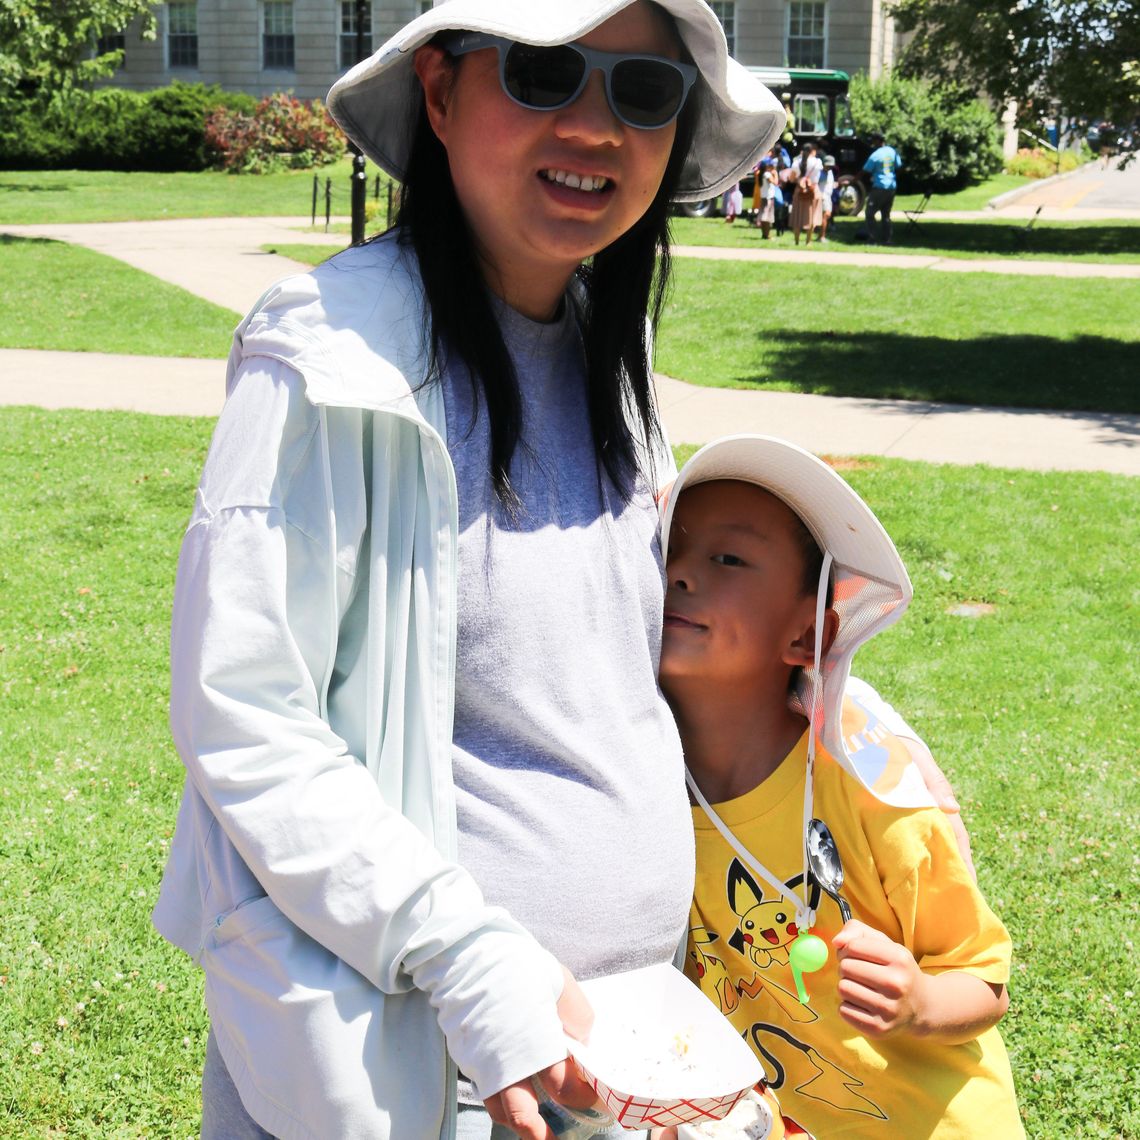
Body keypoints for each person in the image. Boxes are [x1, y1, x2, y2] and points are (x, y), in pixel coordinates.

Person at [149, 3, 790, 1139]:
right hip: (423, 1059)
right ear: (441, 93)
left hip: (634, 1052)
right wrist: (470, 963)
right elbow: (245, 712)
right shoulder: (327, 357)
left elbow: (594, 677)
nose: (596, 127)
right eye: (546, 73)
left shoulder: (609, 339)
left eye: (643, 92)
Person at [655, 435, 1022, 1138]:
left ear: (808, 635)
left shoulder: (872, 786)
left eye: (727, 557)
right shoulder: (644, 783)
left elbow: (983, 979)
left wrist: (920, 1001)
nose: (680, 573)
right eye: (669, 548)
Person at [863, 130, 901, 245]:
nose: (873, 143)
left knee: (869, 213)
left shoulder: (875, 155)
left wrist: (853, 181)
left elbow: (865, 170)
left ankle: (872, 238)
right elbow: (899, 167)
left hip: (879, 187)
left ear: (878, 141)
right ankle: (887, 239)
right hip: (891, 187)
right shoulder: (892, 151)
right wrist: (893, 178)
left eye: (874, 141)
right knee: (886, 214)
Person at [788, 142, 822, 246]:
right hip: (813, 190)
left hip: (800, 190)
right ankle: (808, 242)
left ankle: (797, 241)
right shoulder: (817, 162)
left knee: (797, 215)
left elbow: (791, 179)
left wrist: (799, 179)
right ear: (813, 151)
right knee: (812, 216)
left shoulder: (796, 162)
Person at [756, 149, 779, 239]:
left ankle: (764, 234)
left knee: (763, 217)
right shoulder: (767, 175)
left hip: (763, 197)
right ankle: (767, 235)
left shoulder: (761, 174)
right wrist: (775, 174)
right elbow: (776, 182)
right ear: (767, 166)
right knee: (767, 218)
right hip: (768, 198)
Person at [815, 153, 835, 242]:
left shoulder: (830, 172)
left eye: (831, 166)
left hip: (828, 197)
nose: (829, 167)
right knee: (825, 216)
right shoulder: (819, 173)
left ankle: (820, 236)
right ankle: (821, 237)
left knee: (826, 216)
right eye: (828, 165)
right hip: (822, 197)